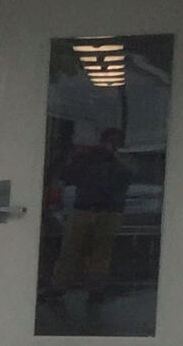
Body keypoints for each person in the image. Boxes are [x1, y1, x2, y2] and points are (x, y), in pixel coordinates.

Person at [48, 127, 132, 299]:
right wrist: (82, 156)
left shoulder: (123, 160)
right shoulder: (88, 157)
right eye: (110, 141)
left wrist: (114, 156)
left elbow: (129, 174)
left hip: (110, 210)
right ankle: (59, 286)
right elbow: (69, 175)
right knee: (70, 249)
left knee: (102, 252)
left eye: (116, 142)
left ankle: (95, 289)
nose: (112, 145)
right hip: (84, 208)